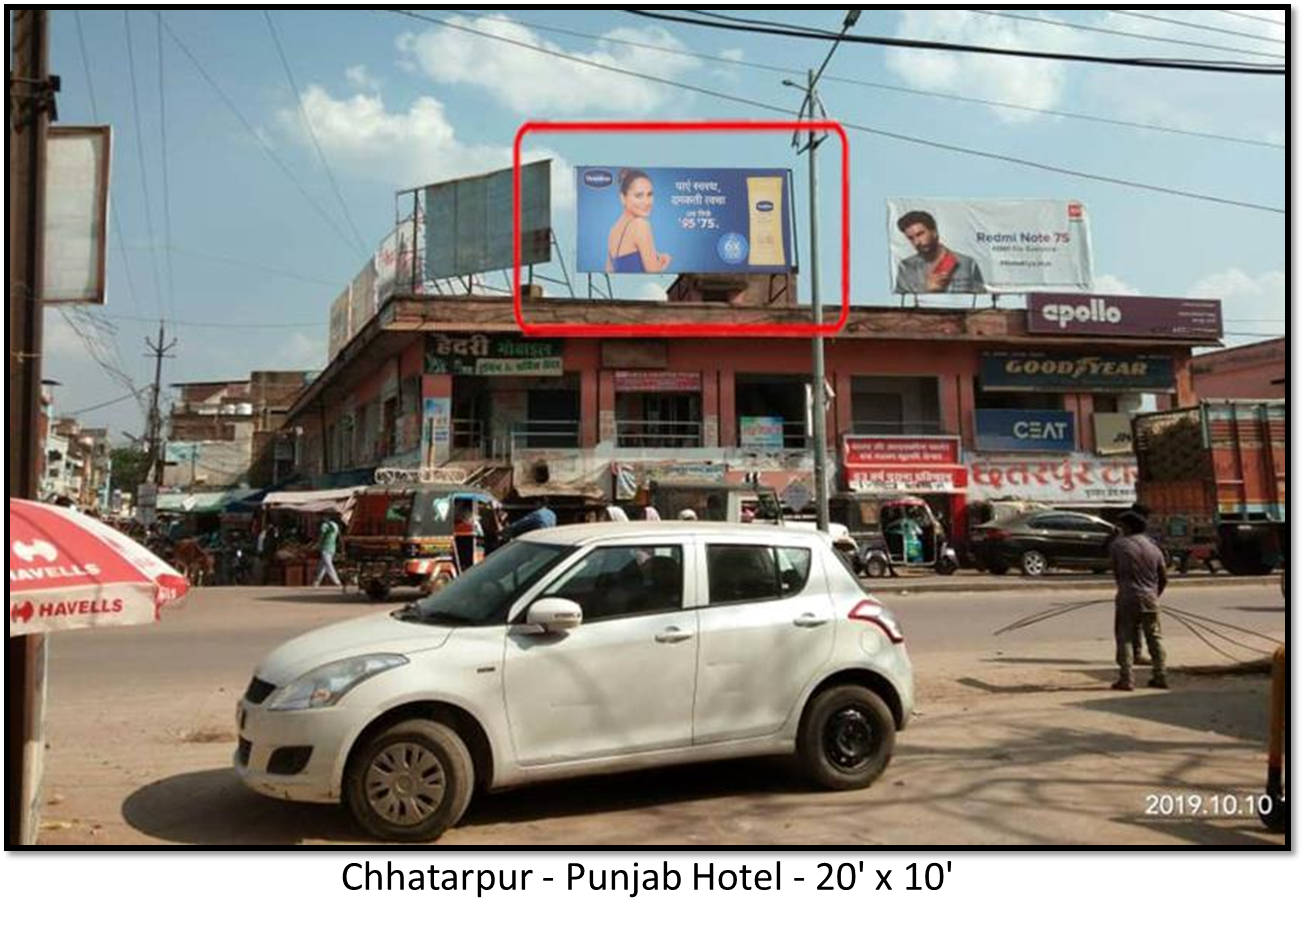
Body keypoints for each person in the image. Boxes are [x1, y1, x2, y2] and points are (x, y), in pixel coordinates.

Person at [1109, 511, 1168, 691]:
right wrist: (1154, 595)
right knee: (1154, 638)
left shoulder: (1118, 546)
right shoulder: (1154, 548)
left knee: (1125, 637)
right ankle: (1160, 675)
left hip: (1127, 598)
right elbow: (1163, 577)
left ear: (1127, 527)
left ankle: (1126, 679)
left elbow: (1117, 574)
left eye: (1121, 526)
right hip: (1150, 598)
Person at [893, 210, 986, 294]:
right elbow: (901, 309)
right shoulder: (905, 267)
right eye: (911, 238)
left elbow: (981, 303)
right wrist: (927, 291)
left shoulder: (968, 263)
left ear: (934, 232)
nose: (916, 242)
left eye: (920, 234)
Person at [606, 169, 672, 273]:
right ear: (623, 198)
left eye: (649, 194)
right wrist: (664, 263)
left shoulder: (613, 231)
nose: (646, 202)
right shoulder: (641, 226)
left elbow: (609, 271)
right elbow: (653, 273)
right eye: (639, 196)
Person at [313, 516, 343, 588]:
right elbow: (338, 536)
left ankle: (337, 582)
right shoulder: (336, 525)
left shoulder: (324, 525)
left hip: (325, 547)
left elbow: (322, 536)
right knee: (323, 565)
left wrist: (317, 544)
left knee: (328, 565)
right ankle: (316, 581)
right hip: (332, 547)